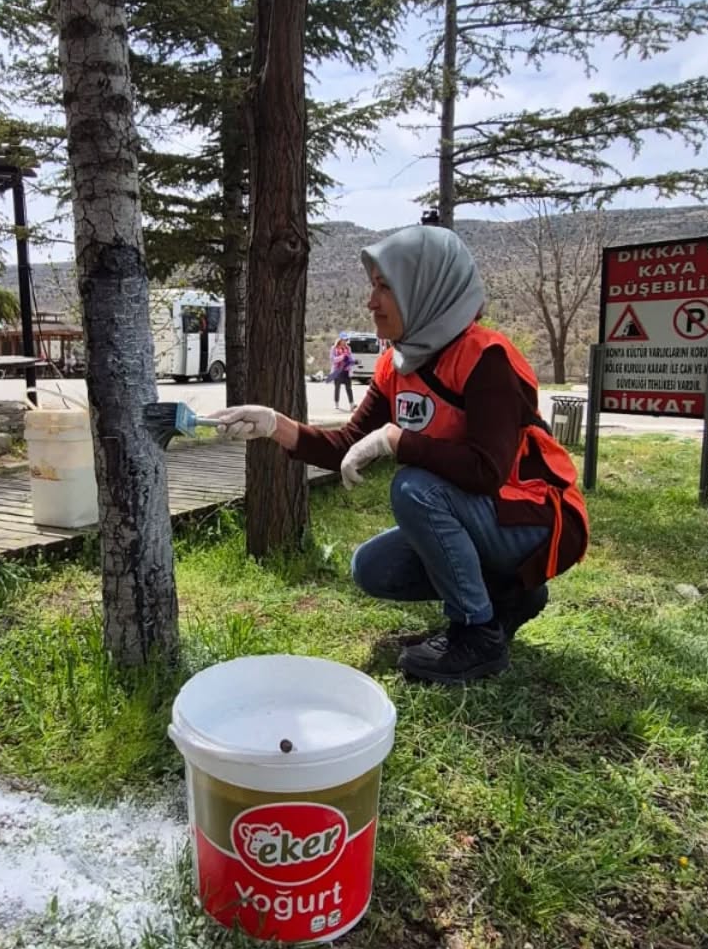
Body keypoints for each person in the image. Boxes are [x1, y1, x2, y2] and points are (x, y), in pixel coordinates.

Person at [210, 224, 588, 686]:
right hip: (485, 517)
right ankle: (508, 597)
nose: (371, 302)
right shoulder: (396, 362)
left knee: (414, 488)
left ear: (425, 288)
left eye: (385, 287)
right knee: (373, 568)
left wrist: (398, 441)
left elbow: (486, 472)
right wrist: (274, 425)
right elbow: (349, 443)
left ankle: (477, 635)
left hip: (533, 519)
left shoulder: (486, 358)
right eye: (373, 286)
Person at [329, 331, 355, 409]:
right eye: (343, 339)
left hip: (346, 370)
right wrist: (342, 357)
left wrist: (351, 361)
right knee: (337, 388)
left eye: (346, 340)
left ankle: (352, 404)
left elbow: (351, 357)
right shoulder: (334, 348)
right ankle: (336, 403)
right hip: (337, 370)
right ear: (340, 340)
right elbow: (333, 359)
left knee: (349, 388)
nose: (345, 341)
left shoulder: (348, 348)